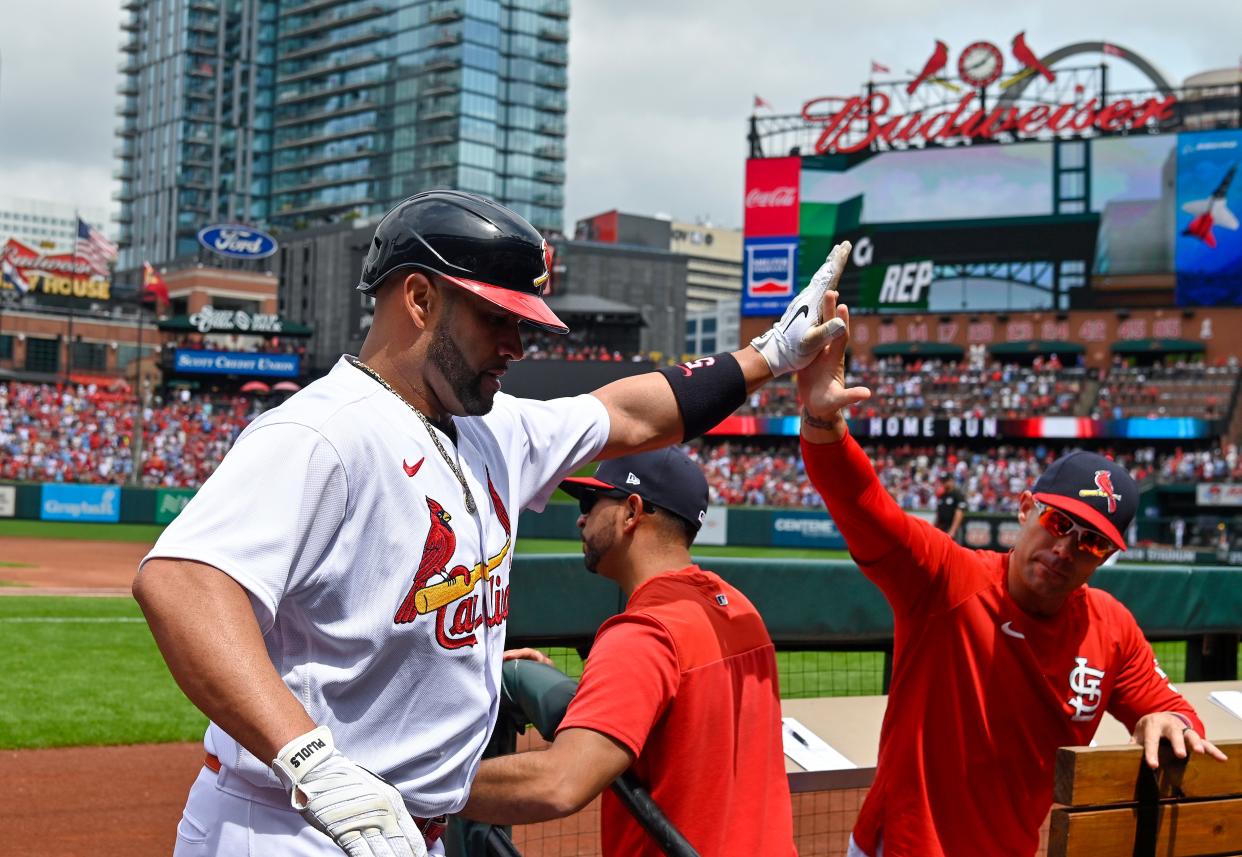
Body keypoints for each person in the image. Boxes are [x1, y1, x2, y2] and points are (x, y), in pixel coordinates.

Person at [132, 190, 849, 857]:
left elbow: (633, 413)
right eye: (496, 318)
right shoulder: (324, 432)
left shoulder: (491, 428)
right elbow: (181, 584)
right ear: (419, 298)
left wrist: (770, 356)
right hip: (292, 825)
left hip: (409, 827)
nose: (516, 342)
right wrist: (312, 762)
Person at [792, 289, 1226, 857]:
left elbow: (1160, 703)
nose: (1068, 546)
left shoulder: (1110, 628)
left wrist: (1165, 719)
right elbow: (865, 507)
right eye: (1058, 520)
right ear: (1025, 508)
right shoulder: (947, 580)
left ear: (1105, 556)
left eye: (1093, 540)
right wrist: (823, 421)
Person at [461, 447, 796, 856]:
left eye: (592, 502)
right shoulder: (738, 608)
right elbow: (685, 726)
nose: (582, 517)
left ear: (632, 511)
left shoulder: (641, 635)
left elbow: (558, 784)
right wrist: (590, 694)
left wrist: (422, 785)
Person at [932, 473, 964, 540]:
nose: (944, 483)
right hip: (942, 528)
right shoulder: (942, 496)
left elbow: (959, 513)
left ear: (951, 481)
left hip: (951, 528)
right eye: (943, 481)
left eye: (946, 480)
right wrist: (934, 528)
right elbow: (938, 514)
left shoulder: (957, 495)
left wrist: (953, 530)